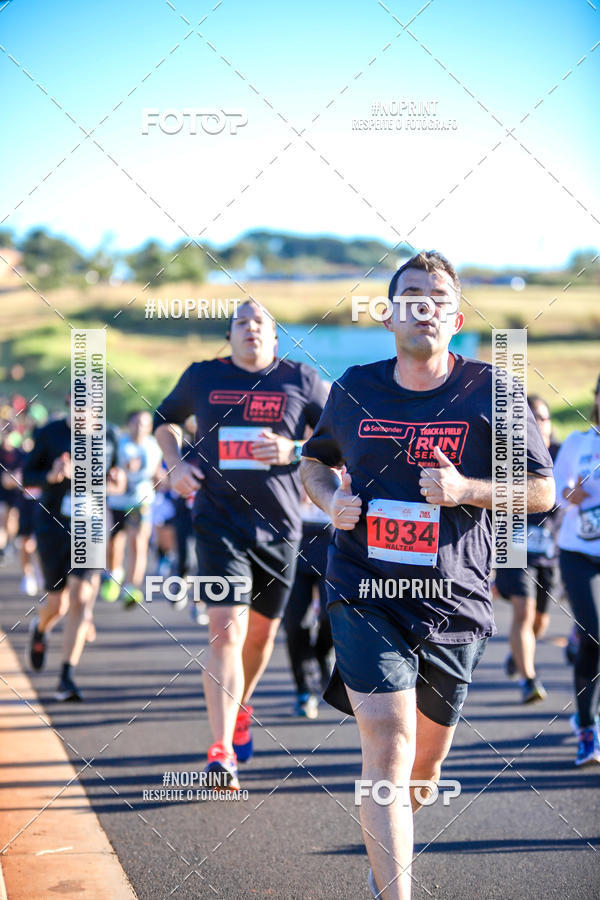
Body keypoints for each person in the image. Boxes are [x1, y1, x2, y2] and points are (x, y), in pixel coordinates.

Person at [300, 250, 555, 899]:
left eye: (437, 295)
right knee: (388, 740)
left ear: (456, 315)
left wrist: (466, 487)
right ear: (389, 315)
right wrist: (332, 502)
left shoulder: (490, 389)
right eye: (411, 294)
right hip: (365, 587)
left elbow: (543, 492)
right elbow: (314, 463)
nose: (424, 305)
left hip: (455, 599)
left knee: (424, 768)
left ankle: (388, 852)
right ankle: (397, 890)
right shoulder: (355, 387)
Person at [154, 299, 328, 789]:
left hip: (280, 528)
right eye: (241, 323)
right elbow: (164, 421)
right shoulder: (202, 376)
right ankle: (222, 750)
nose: (250, 329)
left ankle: (240, 706)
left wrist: (294, 449)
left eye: (260, 324)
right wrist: (175, 462)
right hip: (216, 522)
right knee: (226, 632)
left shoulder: (302, 380)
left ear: (275, 338)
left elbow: (340, 437)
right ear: (229, 335)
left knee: (261, 637)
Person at [494, 395, 562, 703]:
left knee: (540, 620)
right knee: (524, 609)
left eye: (543, 418)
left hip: (549, 550)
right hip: (514, 545)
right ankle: (529, 680)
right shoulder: (506, 457)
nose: (538, 424)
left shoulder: (564, 455)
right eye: (531, 418)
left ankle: (520, 655)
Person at [553, 375, 600, 766]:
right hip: (578, 552)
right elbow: (552, 489)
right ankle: (587, 727)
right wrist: (570, 494)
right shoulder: (578, 443)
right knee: (595, 639)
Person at [102, 411, 162, 607]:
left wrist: (162, 479)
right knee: (114, 543)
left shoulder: (154, 445)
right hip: (117, 501)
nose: (140, 427)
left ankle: (132, 587)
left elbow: (157, 471)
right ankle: (114, 575)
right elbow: (108, 465)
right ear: (129, 424)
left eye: (145, 424)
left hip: (141, 501)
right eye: (136, 423)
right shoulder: (119, 442)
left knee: (139, 542)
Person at [283, 490, 334, 718]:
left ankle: (322, 653)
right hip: (293, 531)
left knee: (331, 615)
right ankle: (304, 689)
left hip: (335, 532)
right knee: (294, 623)